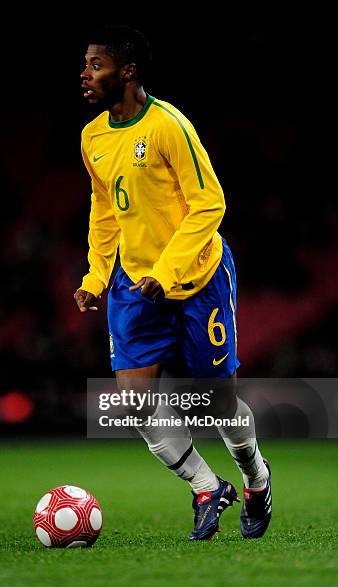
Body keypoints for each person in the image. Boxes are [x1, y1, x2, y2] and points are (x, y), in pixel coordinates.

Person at [75, 25, 272, 540]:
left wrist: (167, 272)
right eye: (86, 64)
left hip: (196, 278)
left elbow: (211, 203)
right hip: (134, 285)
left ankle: (255, 477)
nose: (85, 73)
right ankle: (206, 487)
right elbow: (103, 210)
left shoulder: (169, 126)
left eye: (97, 65)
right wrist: (96, 275)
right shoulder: (92, 136)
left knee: (217, 404)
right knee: (134, 400)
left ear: (129, 71)